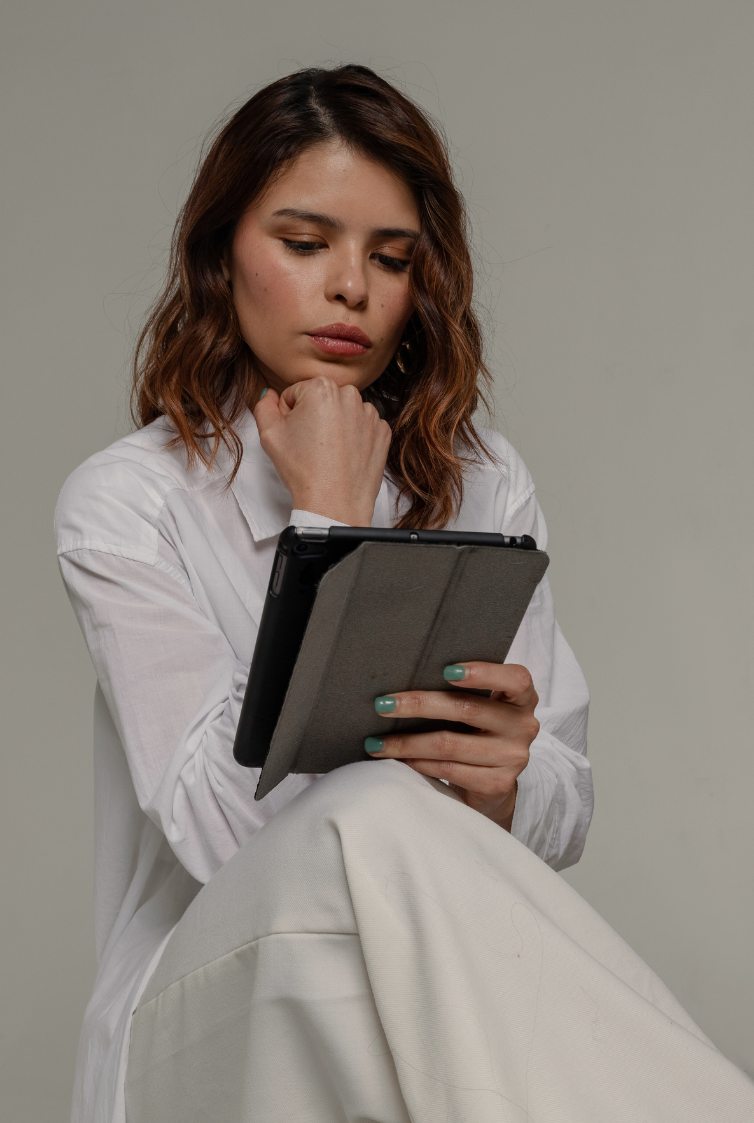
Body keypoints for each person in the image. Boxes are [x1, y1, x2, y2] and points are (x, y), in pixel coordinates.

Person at [55, 65, 754, 1123]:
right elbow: (214, 831)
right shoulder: (130, 502)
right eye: (303, 244)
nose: (351, 289)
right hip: (200, 1014)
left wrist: (504, 787)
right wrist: (326, 523)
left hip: (401, 981)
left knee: (393, 821)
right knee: (371, 806)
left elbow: (562, 802)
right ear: (220, 257)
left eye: (390, 258)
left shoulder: (480, 476)